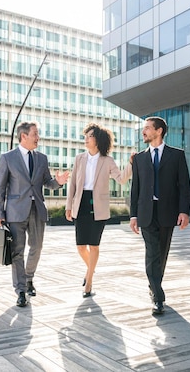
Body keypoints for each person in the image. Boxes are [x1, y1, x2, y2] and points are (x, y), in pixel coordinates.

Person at [0, 121, 70, 308]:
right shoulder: (7, 158)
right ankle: (20, 290)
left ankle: (28, 278)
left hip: (37, 210)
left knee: (36, 247)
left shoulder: (42, 158)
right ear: (24, 136)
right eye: (35, 134)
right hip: (15, 212)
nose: (38, 138)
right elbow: (0, 189)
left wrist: (58, 182)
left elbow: (47, 183)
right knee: (17, 252)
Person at [129, 116, 190, 315]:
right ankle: (158, 296)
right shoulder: (139, 158)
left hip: (167, 212)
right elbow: (135, 189)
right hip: (146, 213)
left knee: (161, 254)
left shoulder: (177, 156)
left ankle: (154, 287)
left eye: (147, 128)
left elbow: (184, 186)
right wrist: (133, 215)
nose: (143, 131)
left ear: (159, 131)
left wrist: (184, 211)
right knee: (151, 252)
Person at [65, 123, 133, 298]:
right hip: (80, 205)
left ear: (98, 140)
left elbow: (121, 179)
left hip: (98, 207)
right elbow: (72, 184)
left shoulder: (107, 160)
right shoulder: (79, 158)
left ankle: (89, 282)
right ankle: (91, 271)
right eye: (85, 136)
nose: (86, 139)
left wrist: (131, 165)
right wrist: (68, 205)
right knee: (81, 246)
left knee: (93, 245)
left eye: (90, 136)